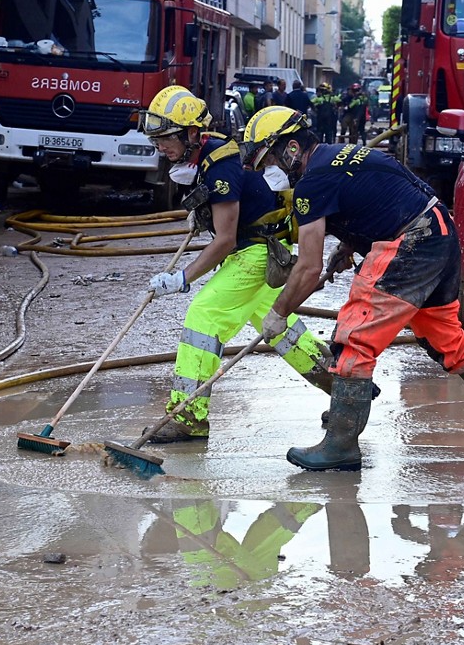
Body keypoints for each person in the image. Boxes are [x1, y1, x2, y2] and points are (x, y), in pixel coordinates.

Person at [239, 110, 464, 471]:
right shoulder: (345, 153)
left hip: (412, 240)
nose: (269, 169)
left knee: (355, 336)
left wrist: (278, 313)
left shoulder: (311, 183)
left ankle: (341, 444)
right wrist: (349, 245)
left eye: (269, 159)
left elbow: (307, 267)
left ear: (290, 148)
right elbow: (382, 194)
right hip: (440, 231)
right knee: (445, 336)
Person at [140, 87, 333, 443]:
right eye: (156, 141)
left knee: (204, 316)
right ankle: (345, 394)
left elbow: (225, 239)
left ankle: (188, 416)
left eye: (166, 138)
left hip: (257, 252)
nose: (161, 148)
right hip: (260, 248)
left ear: (191, 133)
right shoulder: (207, 154)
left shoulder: (220, 167)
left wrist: (181, 278)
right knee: (284, 332)